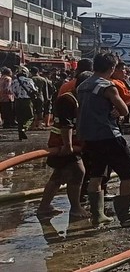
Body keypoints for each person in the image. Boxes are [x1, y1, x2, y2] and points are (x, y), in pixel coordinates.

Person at [76, 52, 130, 227]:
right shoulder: (107, 86)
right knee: (129, 174)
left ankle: (98, 215)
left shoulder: (83, 86)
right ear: (111, 68)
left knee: (96, 176)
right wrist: (118, 110)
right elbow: (124, 110)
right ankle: (126, 215)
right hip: (109, 136)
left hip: (90, 137)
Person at [37, 71, 93, 218]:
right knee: (78, 172)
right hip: (62, 144)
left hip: (73, 143)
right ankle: (75, 208)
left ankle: (44, 207)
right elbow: (66, 125)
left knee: (59, 176)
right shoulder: (67, 99)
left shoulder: (80, 99)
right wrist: (68, 146)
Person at [11, 66, 37, 140]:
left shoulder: (14, 81)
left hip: (18, 101)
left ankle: (20, 133)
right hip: (27, 101)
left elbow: (12, 91)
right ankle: (24, 129)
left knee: (19, 119)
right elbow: (34, 89)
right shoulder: (29, 80)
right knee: (30, 117)